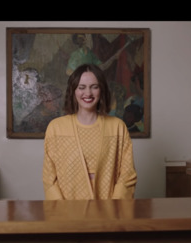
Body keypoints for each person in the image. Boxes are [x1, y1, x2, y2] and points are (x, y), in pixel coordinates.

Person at [42, 64, 137, 200]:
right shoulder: (56, 128)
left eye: (94, 87)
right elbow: (49, 177)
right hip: (68, 212)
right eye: (81, 87)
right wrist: (62, 210)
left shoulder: (117, 127)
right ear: (73, 91)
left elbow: (128, 175)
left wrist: (114, 207)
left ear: (101, 90)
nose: (88, 93)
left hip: (109, 211)